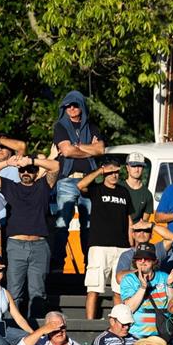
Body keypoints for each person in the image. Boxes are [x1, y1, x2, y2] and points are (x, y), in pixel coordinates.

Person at [0, 154, 62, 321]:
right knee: (13, 293)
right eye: (22, 169)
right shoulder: (9, 186)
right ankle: (11, 331)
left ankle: (38, 335)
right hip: (15, 245)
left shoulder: (43, 185)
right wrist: (6, 163)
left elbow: (55, 166)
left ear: (36, 172)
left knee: (38, 293)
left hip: (39, 246)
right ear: (18, 171)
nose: (26, 172)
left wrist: (31, 161)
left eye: (30, 170)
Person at [51, 90, 105, 266]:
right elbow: (66, 150)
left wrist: (78, 147)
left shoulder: (92, 127)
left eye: (75, 105)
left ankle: (90, 267)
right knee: (61, 224)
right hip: (67, 180)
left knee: (88, 227)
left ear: (82, 106)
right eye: (68, 106)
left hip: (89, 180)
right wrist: (89, 148)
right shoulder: (60, 127)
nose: (72, 108)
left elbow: (101, 150)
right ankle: (58, 264)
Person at [75, 159, 133, 320]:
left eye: (116, 172)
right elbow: (80, 185)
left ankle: (119, 321)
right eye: (110, 172)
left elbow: (129, 219)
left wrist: (131, 243)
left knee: (119, 290)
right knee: (94, 287)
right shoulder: (96, 189)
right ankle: (89, 324)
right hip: (99, 245)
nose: (114, 175)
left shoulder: (124, 192)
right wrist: (101, 171)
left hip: (122, 247)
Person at [118, 246, 173, 338]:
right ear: (135, 261)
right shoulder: (129, 279)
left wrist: (170, 285)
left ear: (154, 261)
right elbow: (129, 308)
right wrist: (143, 287)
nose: (143, 261)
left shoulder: (164, 277)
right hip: (137, 334)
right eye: (139, 259)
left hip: (162, 334)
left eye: (147, 259)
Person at [0, 254, 34, 345]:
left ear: (4, 271)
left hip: (0, 324)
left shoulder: (5, 293)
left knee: (27, 338)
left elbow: (18, 318)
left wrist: (33, 333)